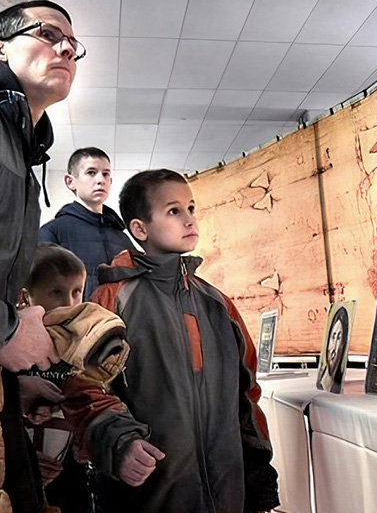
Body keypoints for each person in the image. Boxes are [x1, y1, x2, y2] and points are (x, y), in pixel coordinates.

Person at [62, 169, 279, 513]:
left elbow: (246, 395)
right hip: (150, 495)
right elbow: (82, 387)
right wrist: (119, 443)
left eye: (191, 208)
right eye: (174, 211)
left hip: (227, 494)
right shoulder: (111, 299)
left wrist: (257, 478)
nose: (189, 219)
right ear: (139, 228)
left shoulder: (218, 304)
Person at [0, 0, 81, 512]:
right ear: (1, 46)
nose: (67, 47)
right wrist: (6, 329)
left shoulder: (21, 154)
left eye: (74, 44)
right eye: (48, 33)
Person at [18, 244, 92, 513]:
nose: (70, 303)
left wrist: (88, 443)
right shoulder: (13, 349)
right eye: (56, 292)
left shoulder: (85, 349)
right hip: (22, 475)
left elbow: (97, 402)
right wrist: (24, 459)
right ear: (26, 298)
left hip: (70, 475)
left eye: (77, 292)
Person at [39, 147, 133, 299]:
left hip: (126, 320)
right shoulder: (53, 232)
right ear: (70, 182)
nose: (100, 180)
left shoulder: (122, 237)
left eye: (106, 174)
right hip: (75, 320)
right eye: (91, 173)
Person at [316, 304, 350, 394]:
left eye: (339, 338)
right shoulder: (322, 377)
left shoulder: (337, 382)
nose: (334, 346)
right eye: (333, 336)